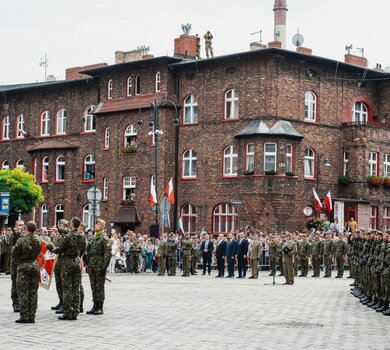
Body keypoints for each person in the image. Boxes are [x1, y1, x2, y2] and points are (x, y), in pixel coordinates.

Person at [47, 217, 86, 321]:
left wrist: (52, 249)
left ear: (72, 224)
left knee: (67, 288)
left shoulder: (68, 237)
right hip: (76, 261)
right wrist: (79, 255)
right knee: (76, 287)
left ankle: (67, 312)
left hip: (67, 262)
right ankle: (75, 310)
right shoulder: (82, 235)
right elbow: (84, 248)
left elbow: (60, 249)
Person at [12, 221, 41, 323]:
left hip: (23, 265)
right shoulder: (38, 240)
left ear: (26, 229)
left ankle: (24, 315)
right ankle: (32, 315)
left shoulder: (21, 240)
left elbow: (14, 253)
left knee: (23, 291)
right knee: (33, 291)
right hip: (34, 264)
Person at [85, 218, 111, 315]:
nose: (96, 226)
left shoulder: (104, 239)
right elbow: (88, 252)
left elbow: (107, 254)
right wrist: (88, 264)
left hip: (100, 266)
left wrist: (104, 267)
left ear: (103, 226)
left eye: (98, 224)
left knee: (99, 286)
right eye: (96, 224)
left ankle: (100, 307)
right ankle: (94, 305)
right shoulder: (92, 238)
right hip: (92, 265)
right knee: (93, 286)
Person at [51, 219, 69, 314]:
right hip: (57, 261)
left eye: (60, 225)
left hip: (63, 261)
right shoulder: (58, 236)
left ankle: (64, 304)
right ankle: (61, 301)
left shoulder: (66, 236)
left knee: (63, 283)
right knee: (58, 283)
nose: (59, 227)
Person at [11, 220, 25, 313]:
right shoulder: (13, 235)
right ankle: (16, 304)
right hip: (15, 264)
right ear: (15, 226)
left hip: (23, 263)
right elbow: (13, 244)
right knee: (15, 284)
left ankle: (21, 302)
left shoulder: (25, 236)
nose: (21, 227)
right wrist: (17, 234)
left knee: (22, 284)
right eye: (20, 225)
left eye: (23, 225)